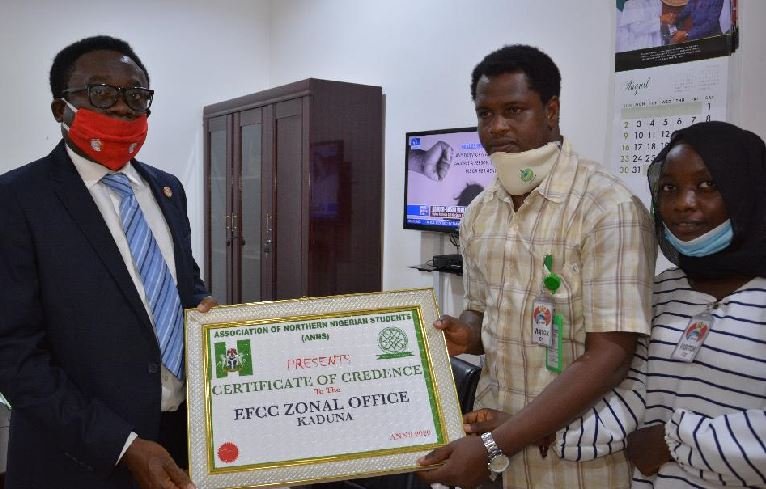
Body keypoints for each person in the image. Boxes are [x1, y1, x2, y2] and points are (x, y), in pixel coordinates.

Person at [416, 45, 656, 489]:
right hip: (491, 443)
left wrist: (494, 445)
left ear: (551, 110)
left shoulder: (608, 208)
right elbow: (482, 309)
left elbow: (612, 357)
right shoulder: (479, 213)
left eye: (514, 110)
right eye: (485, 114)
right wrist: (467, 332)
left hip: (575, 458)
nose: (497, 127)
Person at [0, 35, 216, 489]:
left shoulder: (167, 189)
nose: (122, 108)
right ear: (61, 109)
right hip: (79, 457)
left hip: (186, 437)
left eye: (136, 95)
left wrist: (206, 315)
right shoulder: (16, 199)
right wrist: (119, 444)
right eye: (101, 93)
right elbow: (13, 353)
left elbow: (185, 285)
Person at [555, 121, 766, 488]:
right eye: (669, 188)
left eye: (707, 185)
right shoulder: (661, 291)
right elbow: (629, 401)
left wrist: (673, 440)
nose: (683, 204)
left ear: (747, 190)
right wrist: (523, 431)